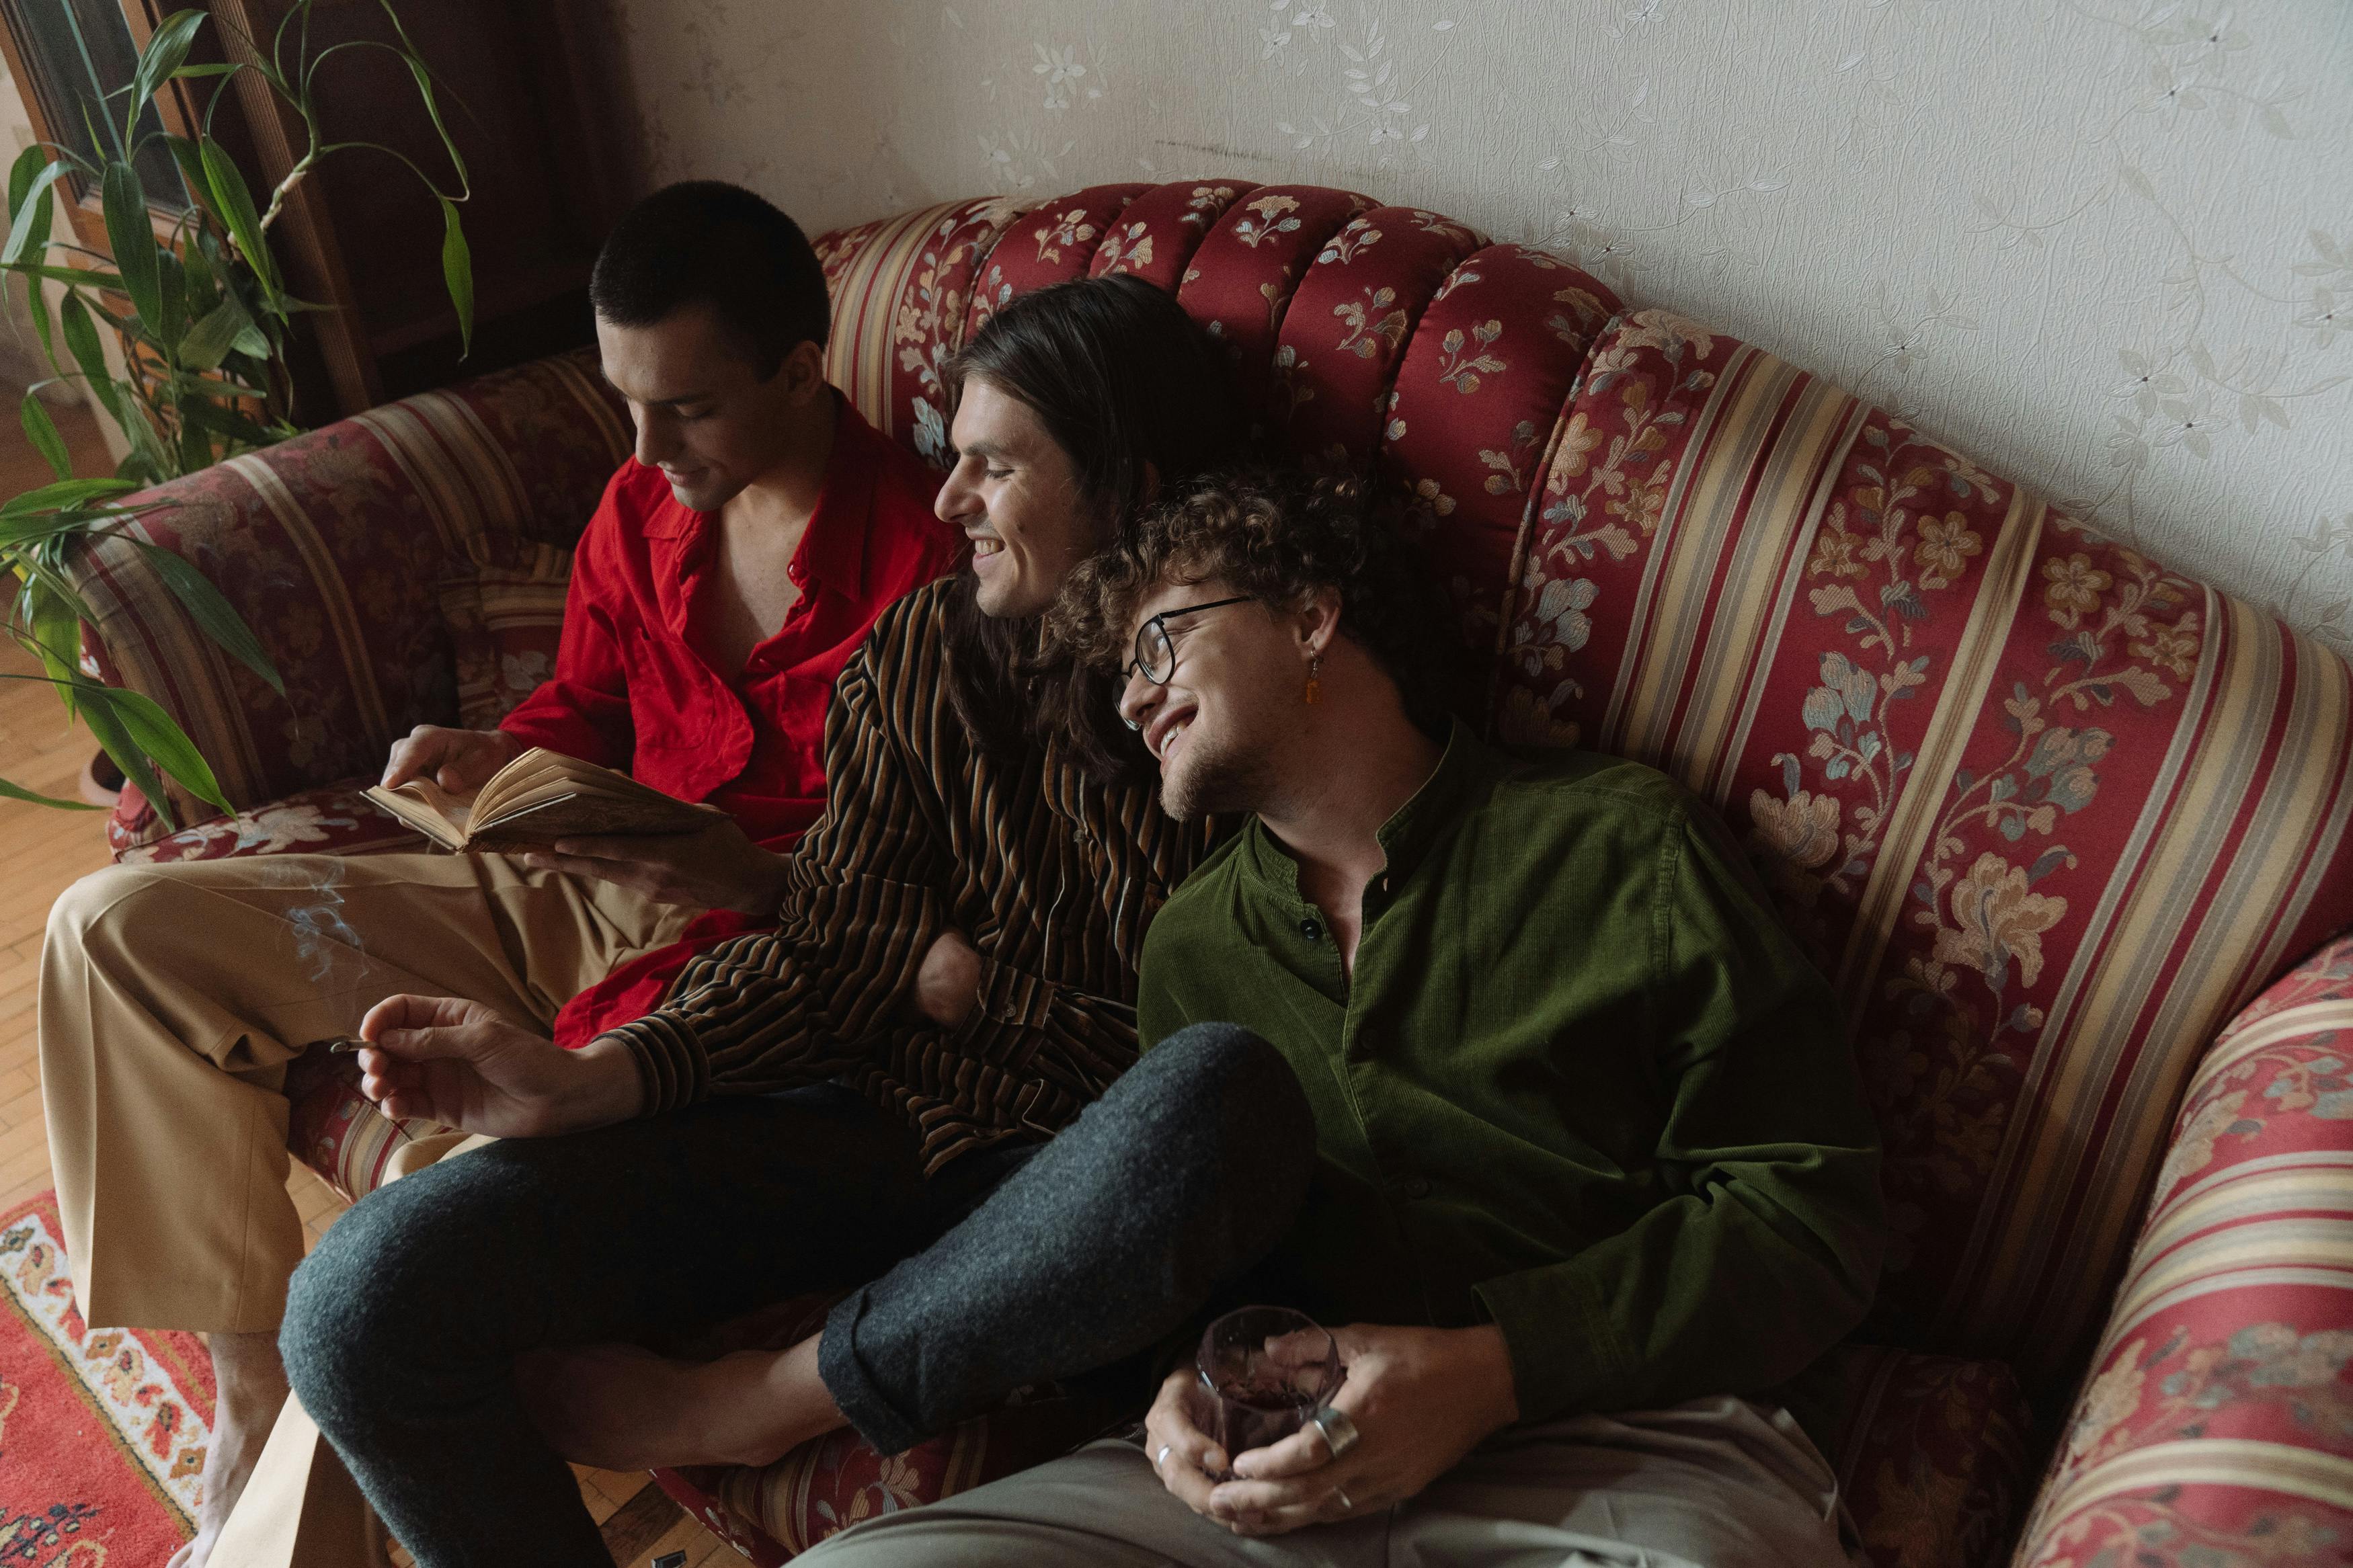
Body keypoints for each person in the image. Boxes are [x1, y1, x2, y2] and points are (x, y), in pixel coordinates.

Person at [276, 276, 1314, 1567]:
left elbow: (1227, 1054)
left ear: (1131, 482)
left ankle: (760, 1401)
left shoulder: (1246, 700)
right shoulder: (923, 659)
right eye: (954, 460)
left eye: (995, 467)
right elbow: (832, 943)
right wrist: (593, 1080)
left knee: (1217, 1099)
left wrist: (973, 985)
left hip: (1075, 1183)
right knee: (355, 1306)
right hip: (865, 1118)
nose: (948, 501)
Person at [36, 179, 959, 1567]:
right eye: (624, 401)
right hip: (545, 879)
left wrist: (730, 864)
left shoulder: (929, 573)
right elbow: (578, 715)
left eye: (687, 409)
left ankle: (287, 1534)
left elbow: (917, 897)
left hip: (734, 961)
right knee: (111, 927)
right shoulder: (642, 508)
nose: (643, 447)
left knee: (419, 1251)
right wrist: (488, 761)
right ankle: (248, 1394)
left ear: (796, 368)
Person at [792, 468, 1888, 1568]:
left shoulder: (1622, 846)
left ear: (1312, 616)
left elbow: (1808, 1216)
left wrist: (1490, 1370)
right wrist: (1183, 1386)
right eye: (1121, 674)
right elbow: (1205, 1257)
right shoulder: (1192, 945)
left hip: (1625, 1446)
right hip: (1281, 1470)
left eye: (1160, 643)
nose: (1131, 699)